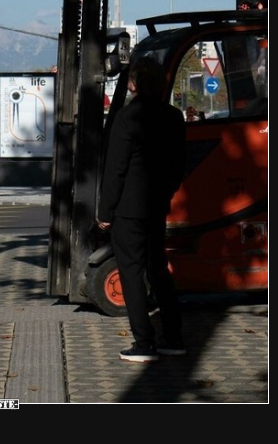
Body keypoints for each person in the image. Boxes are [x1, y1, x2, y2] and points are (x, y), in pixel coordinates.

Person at [97, 56, 186, 363]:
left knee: (132, 273)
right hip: (156, 205)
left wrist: (105, 212)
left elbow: (116, 170)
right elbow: (178, 165)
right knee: (158, 268)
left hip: (128, 209)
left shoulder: (127, 118)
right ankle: (173, 338)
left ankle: (144, 342)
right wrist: (167, 192)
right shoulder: (174, 117)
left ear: (133, 84)